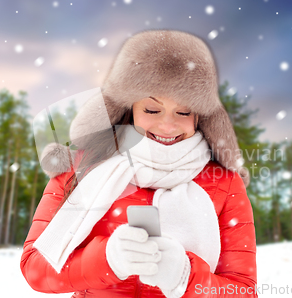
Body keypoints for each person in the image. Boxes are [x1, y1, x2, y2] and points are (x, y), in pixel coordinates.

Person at [20, 30, 257, 298]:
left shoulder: (225, 184)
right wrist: (107, 259)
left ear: (201, 117)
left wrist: (185, 277)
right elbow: (35, 268)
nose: (167, 125)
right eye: (152, 110)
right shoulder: (82, 168)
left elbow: (244, 290)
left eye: (183, 111)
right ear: (127, 108)